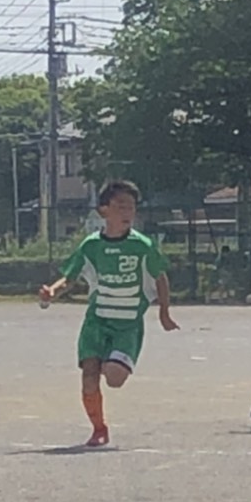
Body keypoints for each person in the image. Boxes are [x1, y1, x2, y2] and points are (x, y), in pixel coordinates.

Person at [38, 180, 178, 447]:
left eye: (132, 207)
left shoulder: (142, 245)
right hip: (97, 322)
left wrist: (164, 312)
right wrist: (52, 292)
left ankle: (108, 361)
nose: (127, 212)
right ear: (104, 210)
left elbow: (160, 278)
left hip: (127, 326)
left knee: (114, 379)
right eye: (121, 206)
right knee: (88, 377)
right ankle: (99, 428)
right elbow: (69, 277)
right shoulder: (91, 245)